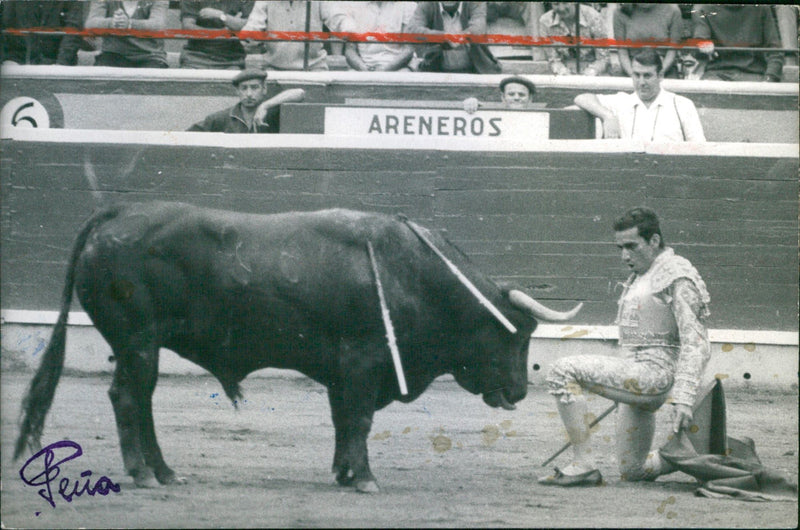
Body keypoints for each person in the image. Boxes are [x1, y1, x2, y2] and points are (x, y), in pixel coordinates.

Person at [539, 207, 711, 487]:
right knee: (634, 470)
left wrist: (684, 397)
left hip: (655, 375)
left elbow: (697, 342)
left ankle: (583, 465)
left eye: (631, 246)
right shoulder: (644, 274)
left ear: (654, 241)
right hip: (637, 375)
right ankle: (690, 452)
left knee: (562, 371)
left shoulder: (677, 273)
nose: (624, 255)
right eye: (620, 247)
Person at [573, 49, 705, 142]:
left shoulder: (682, 105)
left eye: (647, 76)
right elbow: (581, 98)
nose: (641, 82)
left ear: (660, 76)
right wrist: (607, 116)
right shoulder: (622, 101)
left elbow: (699, 149)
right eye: (637, 75)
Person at [240, 1, 353, 71]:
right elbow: (254, 23)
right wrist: (249, 35)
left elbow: (337, 17)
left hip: (313, 67)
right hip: (274, 66)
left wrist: (347, 27)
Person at [187, 69, 305, 133]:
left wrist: (265, 106)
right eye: (244, 88)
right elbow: (187, 136)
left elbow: (299, 93)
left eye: (254, 88)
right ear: (237, 91)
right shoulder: (221, 118)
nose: (249, 94)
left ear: (264, 89)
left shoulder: (274, 112)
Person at [691, 4, 784, 82]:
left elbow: (775, 51)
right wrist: (702, 46)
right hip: (716, 74)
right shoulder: (702, 8)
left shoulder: (761, 8)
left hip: (754, 75)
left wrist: (770, 78)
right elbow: (699, 45)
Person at [408, 1, 501, 74]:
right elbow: (413, 30)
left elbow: (478, 29)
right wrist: (444, 37)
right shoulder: (427, 4)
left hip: (476, 70)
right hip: (436, 70)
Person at [85, 0, 169, 68]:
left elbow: (159, 25)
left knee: (152, 80)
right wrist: (112, 23)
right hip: (113, 54)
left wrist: (130, 24)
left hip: (150, 56)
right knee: (100, 76)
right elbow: (90, 24)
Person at [1, 1, 87, 66]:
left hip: (55, 62)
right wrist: (7, 60)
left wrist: (60, 65)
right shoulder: (9, 3)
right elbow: (5, 28)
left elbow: (72, 33)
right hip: (18, 61)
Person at [342, 1, 416, 72]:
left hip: (399, 68)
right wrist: (363, 69)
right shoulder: (353, 6)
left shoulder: (407, 6)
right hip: (363, 67)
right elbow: (350, 50)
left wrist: (384, 70)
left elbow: (408, 51)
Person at [613, 4, 683, 78]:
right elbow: (622, 52)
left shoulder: (673, 11)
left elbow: (672, 51)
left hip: (664, 69)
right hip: (631, 69)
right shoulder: (620, 12)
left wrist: (660, 73)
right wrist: (633, 75)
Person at [539, 2, 609, 76]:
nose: (561, 8)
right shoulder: (545, 21)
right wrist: (562, 71)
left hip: (594, 72)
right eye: (556, 4)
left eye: (565, 3)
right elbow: (552, 59)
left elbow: (603, 58)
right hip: (562, 73)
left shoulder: (593, 17)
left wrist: (592, 71)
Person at [179, 1, 254, 70]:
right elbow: (187, 28)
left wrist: (221, 15)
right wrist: (225, 30)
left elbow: (251, 27)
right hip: (195, 57)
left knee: (236, 79)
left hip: (231, 59)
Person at [462, 75, 536, 114]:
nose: (516, 98)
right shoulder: (493, 116)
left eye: (521, 95)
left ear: (530, 99)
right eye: (511, 94)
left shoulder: (538, 119)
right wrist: (471, 103)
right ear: (503, 97)